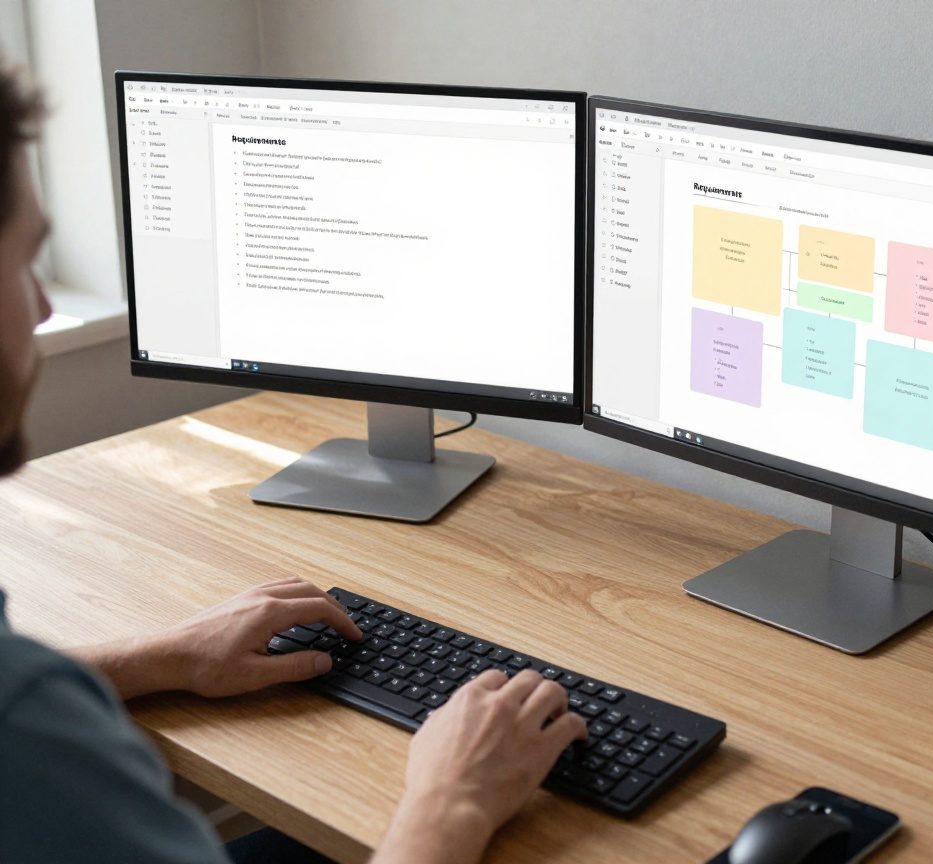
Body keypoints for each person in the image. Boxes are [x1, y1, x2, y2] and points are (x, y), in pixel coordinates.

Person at [0, 64, 586, 864]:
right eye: (23, 259)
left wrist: (165, 655)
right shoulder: (27, 731)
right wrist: (451, 803)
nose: (39, 306)